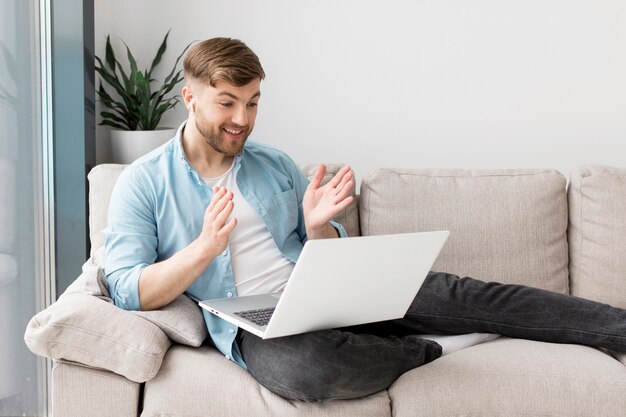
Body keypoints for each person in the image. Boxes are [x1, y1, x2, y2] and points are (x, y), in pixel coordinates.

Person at [104, 37, 626, 403]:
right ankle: (428, 349)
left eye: (253, 102)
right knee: (306, 370)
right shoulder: (143, 182)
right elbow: (126, 288)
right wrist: (201, 250)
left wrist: (315, 228)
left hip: (326, 289)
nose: (242, 119)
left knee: (474, 296)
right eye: (227, 103)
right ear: (189, 98)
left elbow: (323, 250)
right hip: (259, 325)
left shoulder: (276, 164)